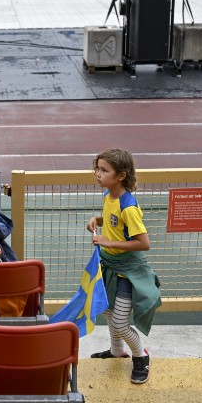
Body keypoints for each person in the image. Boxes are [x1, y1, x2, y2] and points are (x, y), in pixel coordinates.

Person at [85, 148, 160, 384]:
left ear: (121, 175)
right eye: (97, 168)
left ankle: (141, 357)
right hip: (110, 264)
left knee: (119, 321)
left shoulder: (128, 206)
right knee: (107, 310)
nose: (98, 174)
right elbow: (113, 221)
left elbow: (143, 243)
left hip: (127, 270)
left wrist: (108, 241)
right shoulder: (109, 196)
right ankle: (117, 351)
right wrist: (97, 220)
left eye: (104, 170)